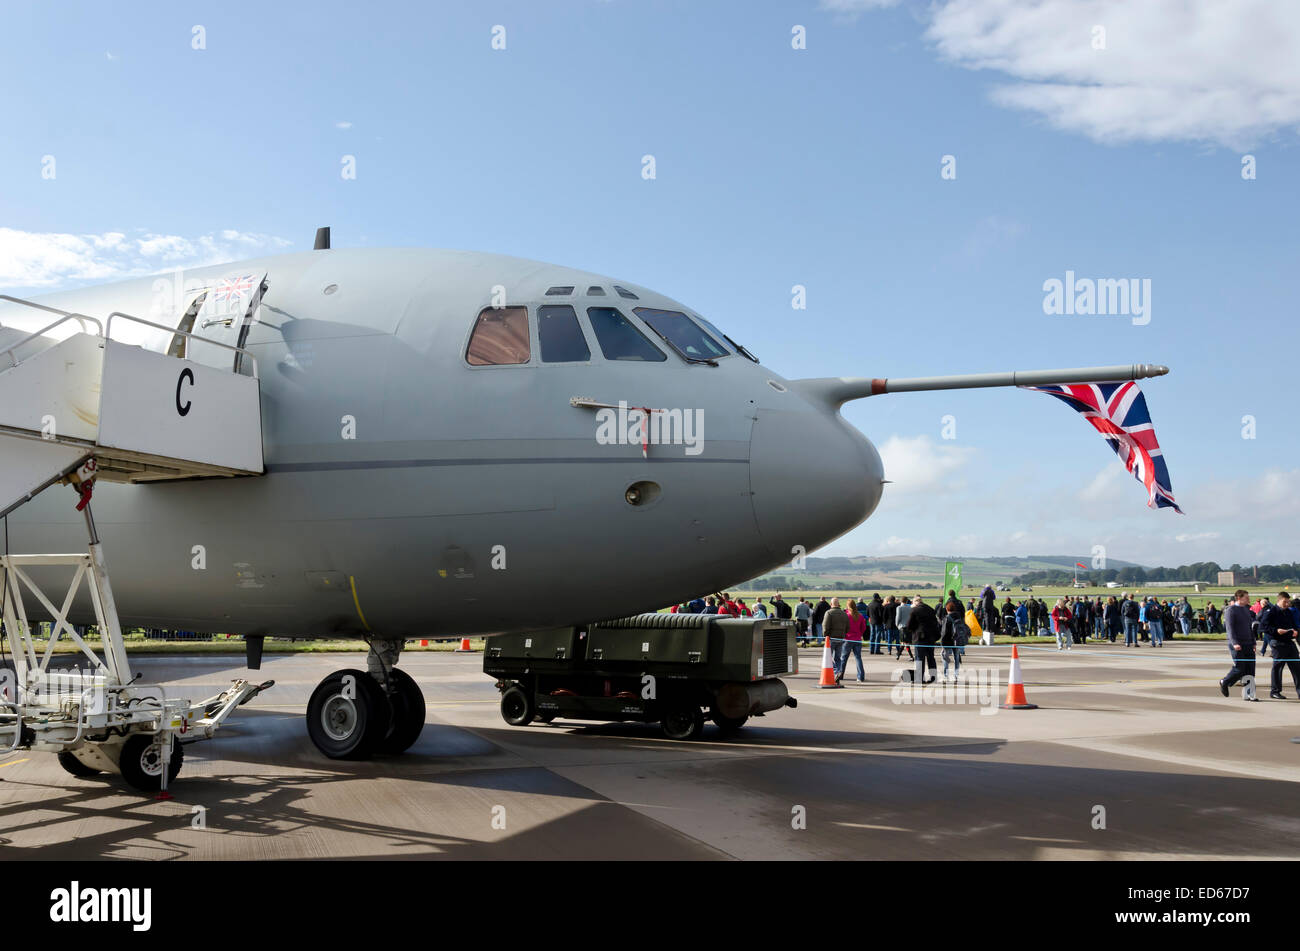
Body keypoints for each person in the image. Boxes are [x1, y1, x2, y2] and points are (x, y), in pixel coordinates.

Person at [1260, 592, 1300, 700]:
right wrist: (1276, 631)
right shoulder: (1271, 611)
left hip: (1289, 642)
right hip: (1277, 642)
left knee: (1297, 667)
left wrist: (1295, 631)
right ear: (1279, 600)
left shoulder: (1288, 612)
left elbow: (1293, 624)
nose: (1287, 604)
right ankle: (1275, 691)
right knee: (1278, 667)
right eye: (1285, 602)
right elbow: (1263, 627)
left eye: (1288, 602)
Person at [1220, 589, 1258, 700]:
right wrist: (1235, 642)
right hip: (1237, 644)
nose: (1248, 599)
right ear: (1238, 598)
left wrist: (1253, 642)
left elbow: (1249, 628)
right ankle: (1225, 681)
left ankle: (1249, 694)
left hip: (1248, 644)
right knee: (1240, 668)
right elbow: (1230, 629)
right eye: (1246, 597)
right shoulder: (1231, 610)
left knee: (1250, 669)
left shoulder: (1246, 610)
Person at [905, 595, 940, 684]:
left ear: (915, 603)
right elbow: (935, 623)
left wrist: (913, 630)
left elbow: (909, 625)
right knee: (931, 658)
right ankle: (933, 677)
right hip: (931, 638)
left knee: (919, 659)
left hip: (919, 638)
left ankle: (920, 678)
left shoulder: (915, 610)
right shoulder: (931, 609)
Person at [836, 598, 866, 684]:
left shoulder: (846, 615)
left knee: (843, 658)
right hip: (857, 639)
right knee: (858, 658)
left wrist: (845, 634)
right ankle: (861, 676)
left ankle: (840, 675)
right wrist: (859, 634)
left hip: (848, 639)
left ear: (848, 606)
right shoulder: (860, 616)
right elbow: (863, 628)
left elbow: (843, 627)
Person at [823, 597, 850, 681]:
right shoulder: (844, 613)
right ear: (838, 604)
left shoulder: (829, 613)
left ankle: (836, 671)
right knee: (838, 658)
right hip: (841, 638)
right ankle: (838, 672)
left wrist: (825, 635)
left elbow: (825, 626)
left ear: (831, 604)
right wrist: (843, 634)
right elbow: (848, 627)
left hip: (830, 638)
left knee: (828, 657)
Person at [941, 592, 967, 681]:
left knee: (945, 658)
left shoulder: (947, 618)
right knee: (956, 657)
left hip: (948, 641)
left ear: (947, 609)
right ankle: (956, 676)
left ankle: (946, 675)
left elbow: (944, 632)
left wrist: (942, 643)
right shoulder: (959, 618)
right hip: (957, 640)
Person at [895, 596, 914, 661]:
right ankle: (898, 654)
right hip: (909, 626)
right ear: (906, 601)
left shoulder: (899, 608)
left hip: (902, 627)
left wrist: (897, 625)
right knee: (905, 642)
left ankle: (910, 656)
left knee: (904, 643)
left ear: (901, 600)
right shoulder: (910, 607)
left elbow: (898, 617)